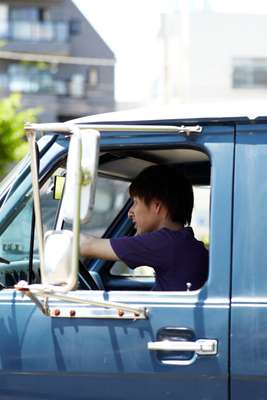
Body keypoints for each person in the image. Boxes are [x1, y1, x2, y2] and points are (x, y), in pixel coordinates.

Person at [80, 165, 208, 291]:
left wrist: (62, 240)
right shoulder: (183, 243)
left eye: (135, 202)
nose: (130, 212)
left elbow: (86, 245)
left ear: (157, 206)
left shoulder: (164, 243)